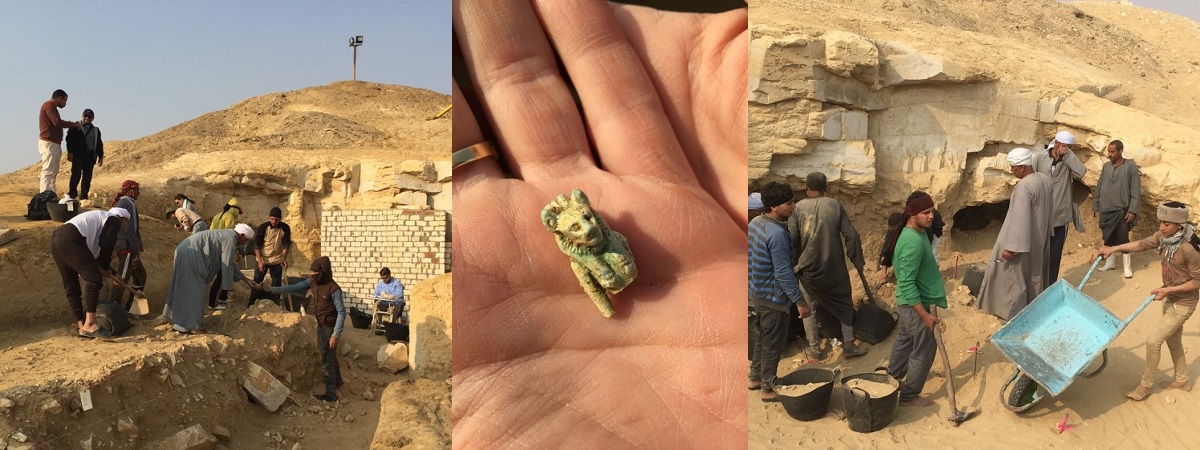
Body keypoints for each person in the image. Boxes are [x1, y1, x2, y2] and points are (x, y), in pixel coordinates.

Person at [452, 1, 746, 445]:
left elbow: (615, 241)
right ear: (563, 233)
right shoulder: (578, 250)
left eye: (588, 220)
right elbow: (590, 273)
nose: (588, 228)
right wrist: (604, 294)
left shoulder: (604, 231)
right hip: (600, 275)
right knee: (595, 276)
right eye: (578, 227)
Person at [1097, 202, 1200, 401]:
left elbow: (1198, 281)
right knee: (1172, 338)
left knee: (1153, 341)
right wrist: (1114, 248)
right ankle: (1183, 379)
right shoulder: (1165, 238)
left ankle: (1145, 385)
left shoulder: (1189, 249)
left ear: (1179, 225)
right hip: (1170, 296)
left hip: (1184, 303)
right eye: (1161, 222)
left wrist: (1168, 289)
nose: (1161, 227)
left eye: (1166, 224)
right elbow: (1141, 244)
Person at [788, 171, 868, 357]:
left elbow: (790, 238)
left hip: (807, 271)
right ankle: (848, 345)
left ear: (806, 188)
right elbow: (852, 235)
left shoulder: (798, 209)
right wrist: (857, 259)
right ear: (826, 189)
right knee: (844, 303)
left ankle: (815, 350)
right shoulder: (834, 205)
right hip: (834, 270)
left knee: (809, 309)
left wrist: (792, 265)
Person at [977, 148, 1054, 320]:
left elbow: (1020, 219)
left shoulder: (1024, 187)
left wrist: (1011, 248)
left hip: (1022, 245)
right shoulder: (1045, 180)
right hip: (1039, 240)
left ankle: (1014, 318)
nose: (1012, 171)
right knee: (1034, 278)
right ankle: (1033, 313)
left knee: (1014, 283)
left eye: (1013, 167)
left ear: (1022, 167)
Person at [748, 182, 809, 401]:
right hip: (773, 297)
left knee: (763, 338)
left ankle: (755, 377)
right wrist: (800, 301)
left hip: (757, 292)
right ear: (774, 207)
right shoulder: (777, 235)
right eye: (789, 203)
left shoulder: (755, 222)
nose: (794, 206)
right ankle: (768, 388)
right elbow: (783, 273)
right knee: (773, 344)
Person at [885, 193, 946, 407]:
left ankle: (890, 379)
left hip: (908, 304)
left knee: (905, 340)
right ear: (912, 214)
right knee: (924, 348)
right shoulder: (913, 242)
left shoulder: (917, 233)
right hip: (914, 305)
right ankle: (910, 396)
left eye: (932, 211)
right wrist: (925, 315)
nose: (931, 216)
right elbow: (908, 283)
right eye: (925, 213)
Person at [260, 257, 346, 402]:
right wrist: (272, 289)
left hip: (330, 328)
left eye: (315, 273)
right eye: (311, 274)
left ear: (323, 272)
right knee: (329, 354)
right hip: (321, 324)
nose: (312, 276)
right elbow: (293, 288)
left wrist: (335, 334)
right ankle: (338, 381)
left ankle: (331, 394)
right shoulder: (312, 282)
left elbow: (342, 313)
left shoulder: (334, 289)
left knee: (326, 359)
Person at [50, 207, 129, 339]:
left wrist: (113, 274)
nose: (122, 228)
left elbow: (94, 260)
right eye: (124, 224)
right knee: (94, 279)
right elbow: (106, 245)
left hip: (57, 239)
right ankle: (91, 323)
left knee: (71, 285)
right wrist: (105, 267)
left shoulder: (98, 223)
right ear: (124, 220)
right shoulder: (114, 220)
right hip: (71, 239)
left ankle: (82, 326)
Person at [162, 225, 258, 334]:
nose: (243, 243)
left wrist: (246, 280)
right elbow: (226, 265)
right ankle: (194, 326)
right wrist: (229, 289)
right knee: (197, 291)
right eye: (244, 240)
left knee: (185, 288)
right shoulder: (231, 238)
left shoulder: (227, 235)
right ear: (241, 235)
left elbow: (229, 262)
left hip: (184, 250)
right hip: (192, 255)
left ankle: (180, 325)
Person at [1031, 130, 1086, 282]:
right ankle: (1037, 284)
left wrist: (1068, 156)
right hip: (1041, 215)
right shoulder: (1040, 158)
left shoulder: (1069, 161)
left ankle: (1050, 285)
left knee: (1054, 256)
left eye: (1069, 147)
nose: (1066, 149)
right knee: (1039, 253)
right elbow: (1031, 180)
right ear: (1056, 143)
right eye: (1064, 146)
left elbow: (1081, 172)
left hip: (1060, 217)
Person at [1093, 140, 1142, 278]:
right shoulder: (1106, 167)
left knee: (1122, 238)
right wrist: (1095, 206)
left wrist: (1132, 209)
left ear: (1121, 151)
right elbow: (1100, 186)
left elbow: (1135, 190)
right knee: (1108, 237)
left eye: (1112, 151)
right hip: (1105, 209)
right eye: (1108, 151)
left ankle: (1127, 267)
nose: (1109, 154)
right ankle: (1110, 263)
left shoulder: (1130, 167)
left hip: (1121, 210)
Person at [108, 181, 145, 310]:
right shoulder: (128, 203)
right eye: (137, 190)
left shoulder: (121, 202)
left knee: (140, 275)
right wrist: (135, 251)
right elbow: (131, 229)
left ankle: (133, 308)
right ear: (130, 191)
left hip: (122, 245)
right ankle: (114, 308)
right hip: (126, 246)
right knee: (121, 278)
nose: (139, 193)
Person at [38, 89, 80, 194]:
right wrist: (73, 124)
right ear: (60, 98)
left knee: (53, 171)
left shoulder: (52, 107)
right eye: (65, 100)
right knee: (48, 170)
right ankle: (45, 195)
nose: (65, 103)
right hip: (49, 143)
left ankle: (50, 194)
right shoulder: (49, 106)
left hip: (54, 143)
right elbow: (57, 122)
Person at [249, 207, 291, 307]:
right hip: (263, 259)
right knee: (257, 282)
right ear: (269, 218)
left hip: (277, 260)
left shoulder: (285, 228)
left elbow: (286, 244)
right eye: (272, 219)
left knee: (276, 284)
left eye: (276, 219)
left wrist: (284, 257)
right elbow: (257, 245)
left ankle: (276, 304)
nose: (273, 221)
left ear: (280, 219)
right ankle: (251, 303)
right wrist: (259, 261)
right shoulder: (263, 227)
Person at [206, 197, 243, 310]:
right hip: (224, 251)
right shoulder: (230, 217)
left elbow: (211, 233)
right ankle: (217, 302)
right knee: (224, 275)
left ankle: (216, 301)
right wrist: (236, 252)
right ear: (235, 209)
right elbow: (231, 237)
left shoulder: (218, 216)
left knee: (219, 276)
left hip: (213, 250)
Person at [64, 108, 103, 200]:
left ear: (93, 118)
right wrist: (70, 152)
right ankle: (72, 194)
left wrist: (100, 156)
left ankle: (84, 197)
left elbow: (99, 144)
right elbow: (69, 139)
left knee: (87, 177)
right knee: (75, 175)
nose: (87, 118)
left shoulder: (96, 130)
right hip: (78, 155)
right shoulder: (76, 126)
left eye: (89, 116)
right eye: (85, 116)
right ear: (82, 116)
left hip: (90, 156)